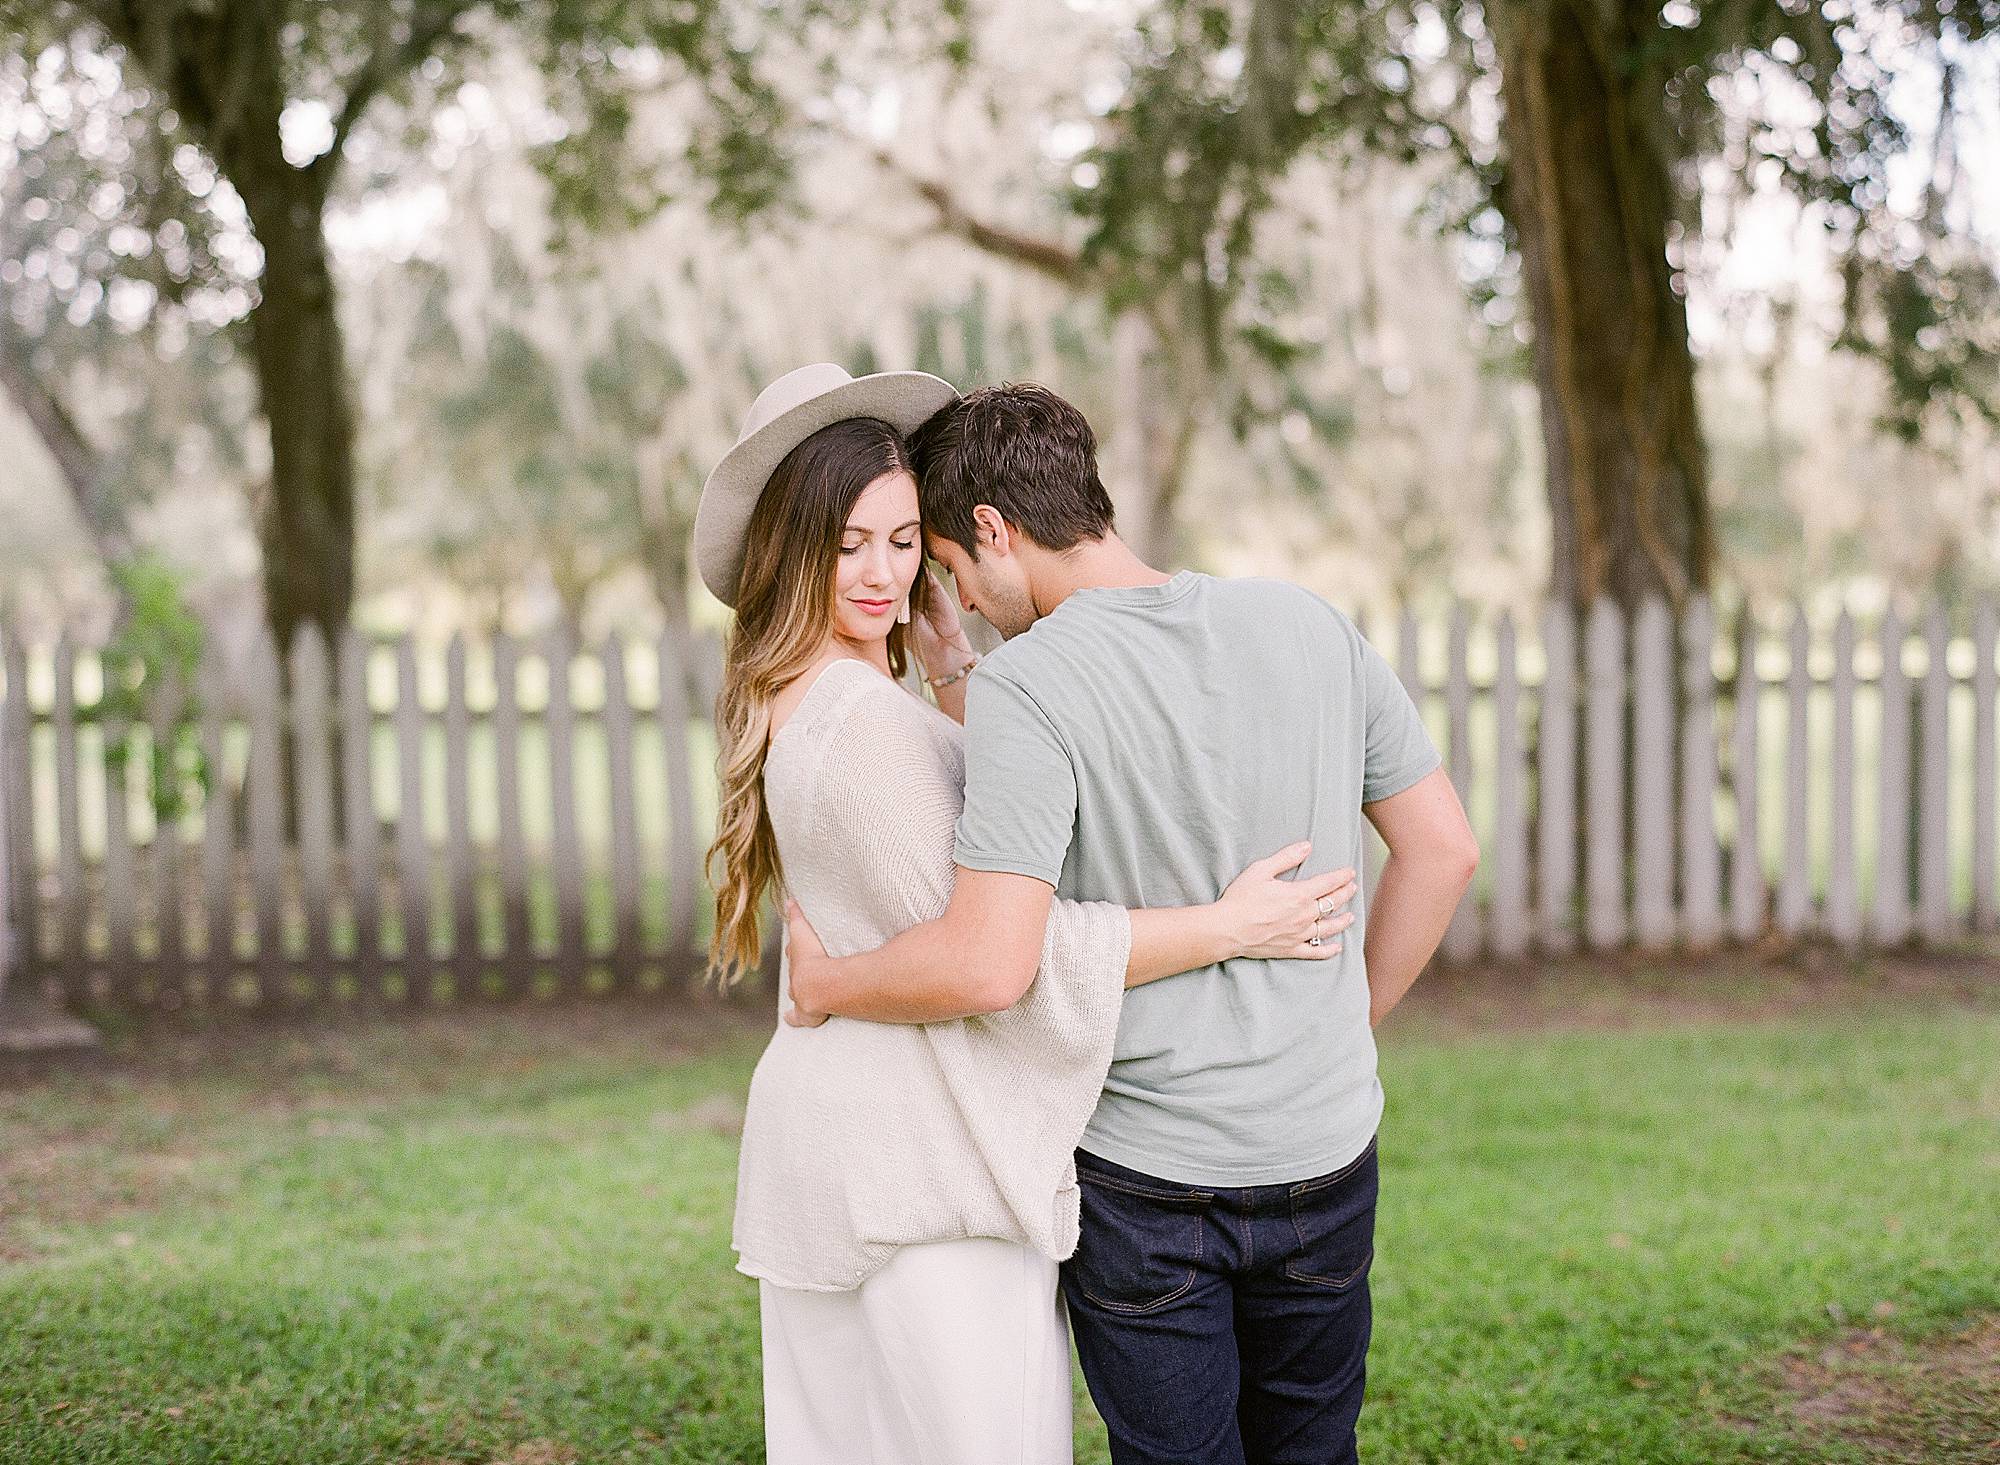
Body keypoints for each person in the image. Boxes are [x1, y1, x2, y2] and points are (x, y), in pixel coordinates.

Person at [784, 381, 1480, 1465]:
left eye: (952, 571)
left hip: (1149, 1182)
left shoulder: (1031, 683)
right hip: (1327, 1145)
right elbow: (1443, 850)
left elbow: (983, 962)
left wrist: (827, 983)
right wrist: (1346, 1020)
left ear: (991, 529)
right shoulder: (1305, 621)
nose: (956, 600)